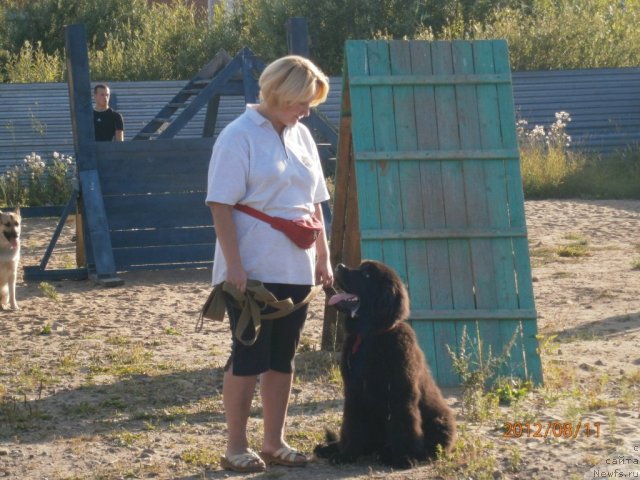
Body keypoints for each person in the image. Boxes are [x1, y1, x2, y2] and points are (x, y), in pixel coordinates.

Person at [205, 55, 333, 473]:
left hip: (296, 267)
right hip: (253, 270)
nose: (307, 110)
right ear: (280, 93)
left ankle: (274, 442)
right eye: (302, 101)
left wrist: (323, 256)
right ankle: (235, 447)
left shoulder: (302, 137)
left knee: (283, 358)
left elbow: (314, 203)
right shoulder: (237, 136)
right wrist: (235, 267)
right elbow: (220, 205)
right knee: (248, 358)